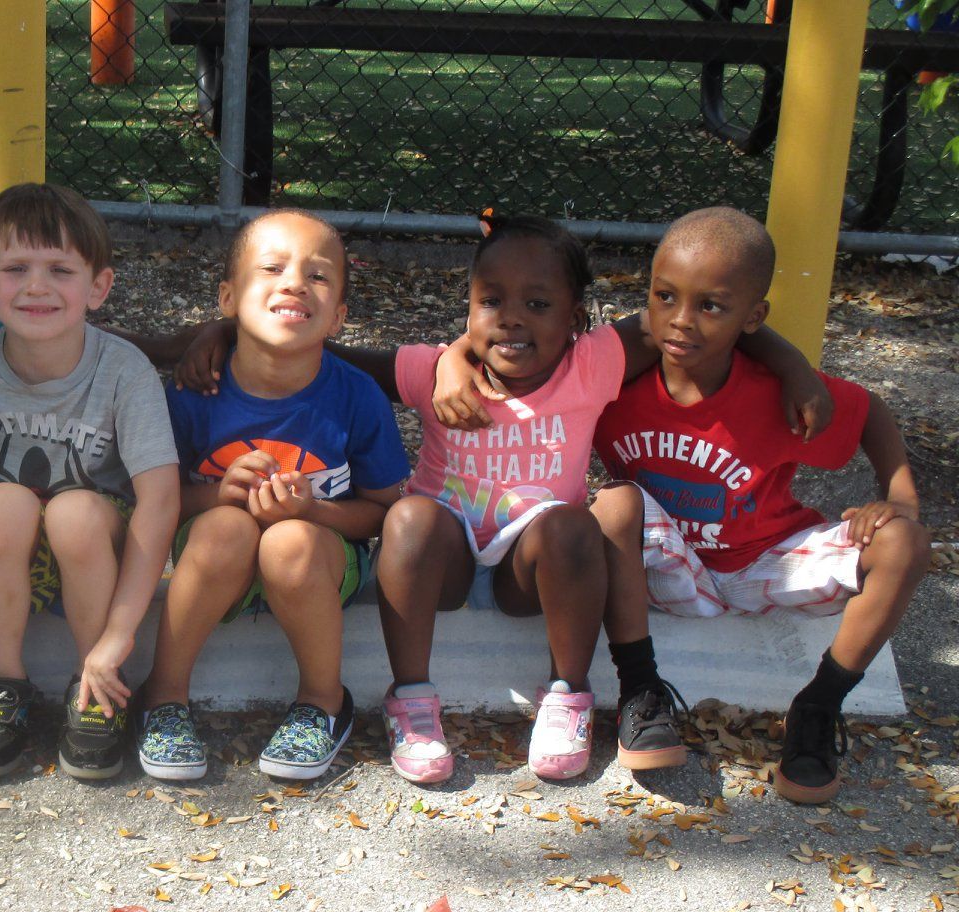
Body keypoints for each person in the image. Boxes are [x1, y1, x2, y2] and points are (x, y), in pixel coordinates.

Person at [348, 214, 828, 786]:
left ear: (576, 319)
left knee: (573, 524)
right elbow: (332, 362)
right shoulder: (433, 371)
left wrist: (794, 365)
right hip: (442, 563)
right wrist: (230, 333)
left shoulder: (593, 363)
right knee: (407, 517)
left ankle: (567, 694)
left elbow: (689, 321)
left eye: (539, 305)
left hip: (532, 571)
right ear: (470, 307)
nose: (511, 320)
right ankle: (412, 700)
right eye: (491, 301)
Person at [590, 207, 929, 803]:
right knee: (614, 505)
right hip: (668, 570)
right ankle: (642, 694)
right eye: (665, 297)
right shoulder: (612, 382)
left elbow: (869, 411)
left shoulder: (774, 391)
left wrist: (899, 499)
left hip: (766, 562)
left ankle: (816, 708)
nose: (682, 321)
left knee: (905, 543)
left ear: (754, 317)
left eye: (711, 306)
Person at [135, 210, 410, 782]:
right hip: (215, 556)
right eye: (272, 268)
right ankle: (163, 698)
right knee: (226, 528)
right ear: (228, 297)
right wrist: (216, 497)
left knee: (288, 542)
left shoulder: (356, 396)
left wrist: (313, 510)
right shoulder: (192, 394)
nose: (294, 283)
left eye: (318, 276)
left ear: (338, 315)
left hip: (318, 558)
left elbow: (383, 512)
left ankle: (323, 703)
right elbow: (152, 500)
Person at [0, 183, 180, 780]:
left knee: (73, 508)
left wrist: (120, 635)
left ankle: (95, 682)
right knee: (7, 501)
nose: (37, 286)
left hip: (94, 550)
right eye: (15, 268)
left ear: (99, 286)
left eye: (60, 269)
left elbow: (160, 498)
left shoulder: (124, 370)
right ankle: (2, 684)